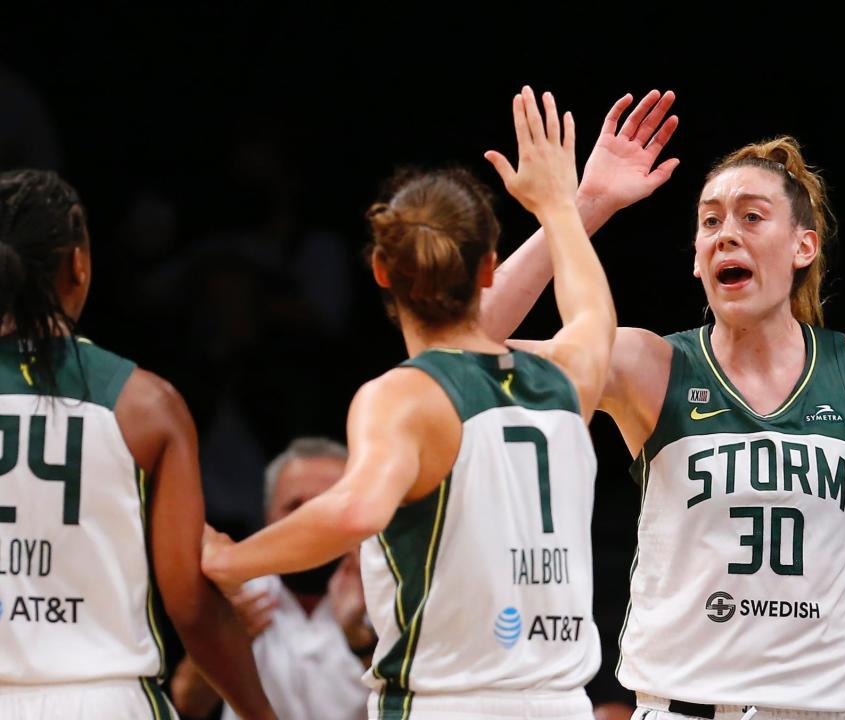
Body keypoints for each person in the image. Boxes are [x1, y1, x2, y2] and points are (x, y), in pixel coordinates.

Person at [479, 93, 845, 716]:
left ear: (803, 247)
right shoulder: (648, 365)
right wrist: (582, 207)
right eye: (710, 222)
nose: (726, 232)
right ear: (699, 261)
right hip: (685, 706)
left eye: (752, 217)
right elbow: (467, 349)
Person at [201, 86, 617, 720]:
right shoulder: (565, 380)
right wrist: (560, 206)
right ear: (488, 269)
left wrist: (231, 560)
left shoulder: (402, 395)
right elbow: (590, 312)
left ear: (380, 272)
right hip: (560, 703)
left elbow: (356, 508)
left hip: (448, 703)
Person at [0, 169, 274, 719]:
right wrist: (260, 713)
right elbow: (191, 607)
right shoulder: (146, 405)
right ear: (77, 264)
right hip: (104, 700)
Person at [171, 437, 370, 720]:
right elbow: (186, 703)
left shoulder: (386, 595)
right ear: (268, 518)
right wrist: (226, 638)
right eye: (294, 507)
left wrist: (361, 643)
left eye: (324, 506)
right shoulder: (238, 591)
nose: (308, 522)